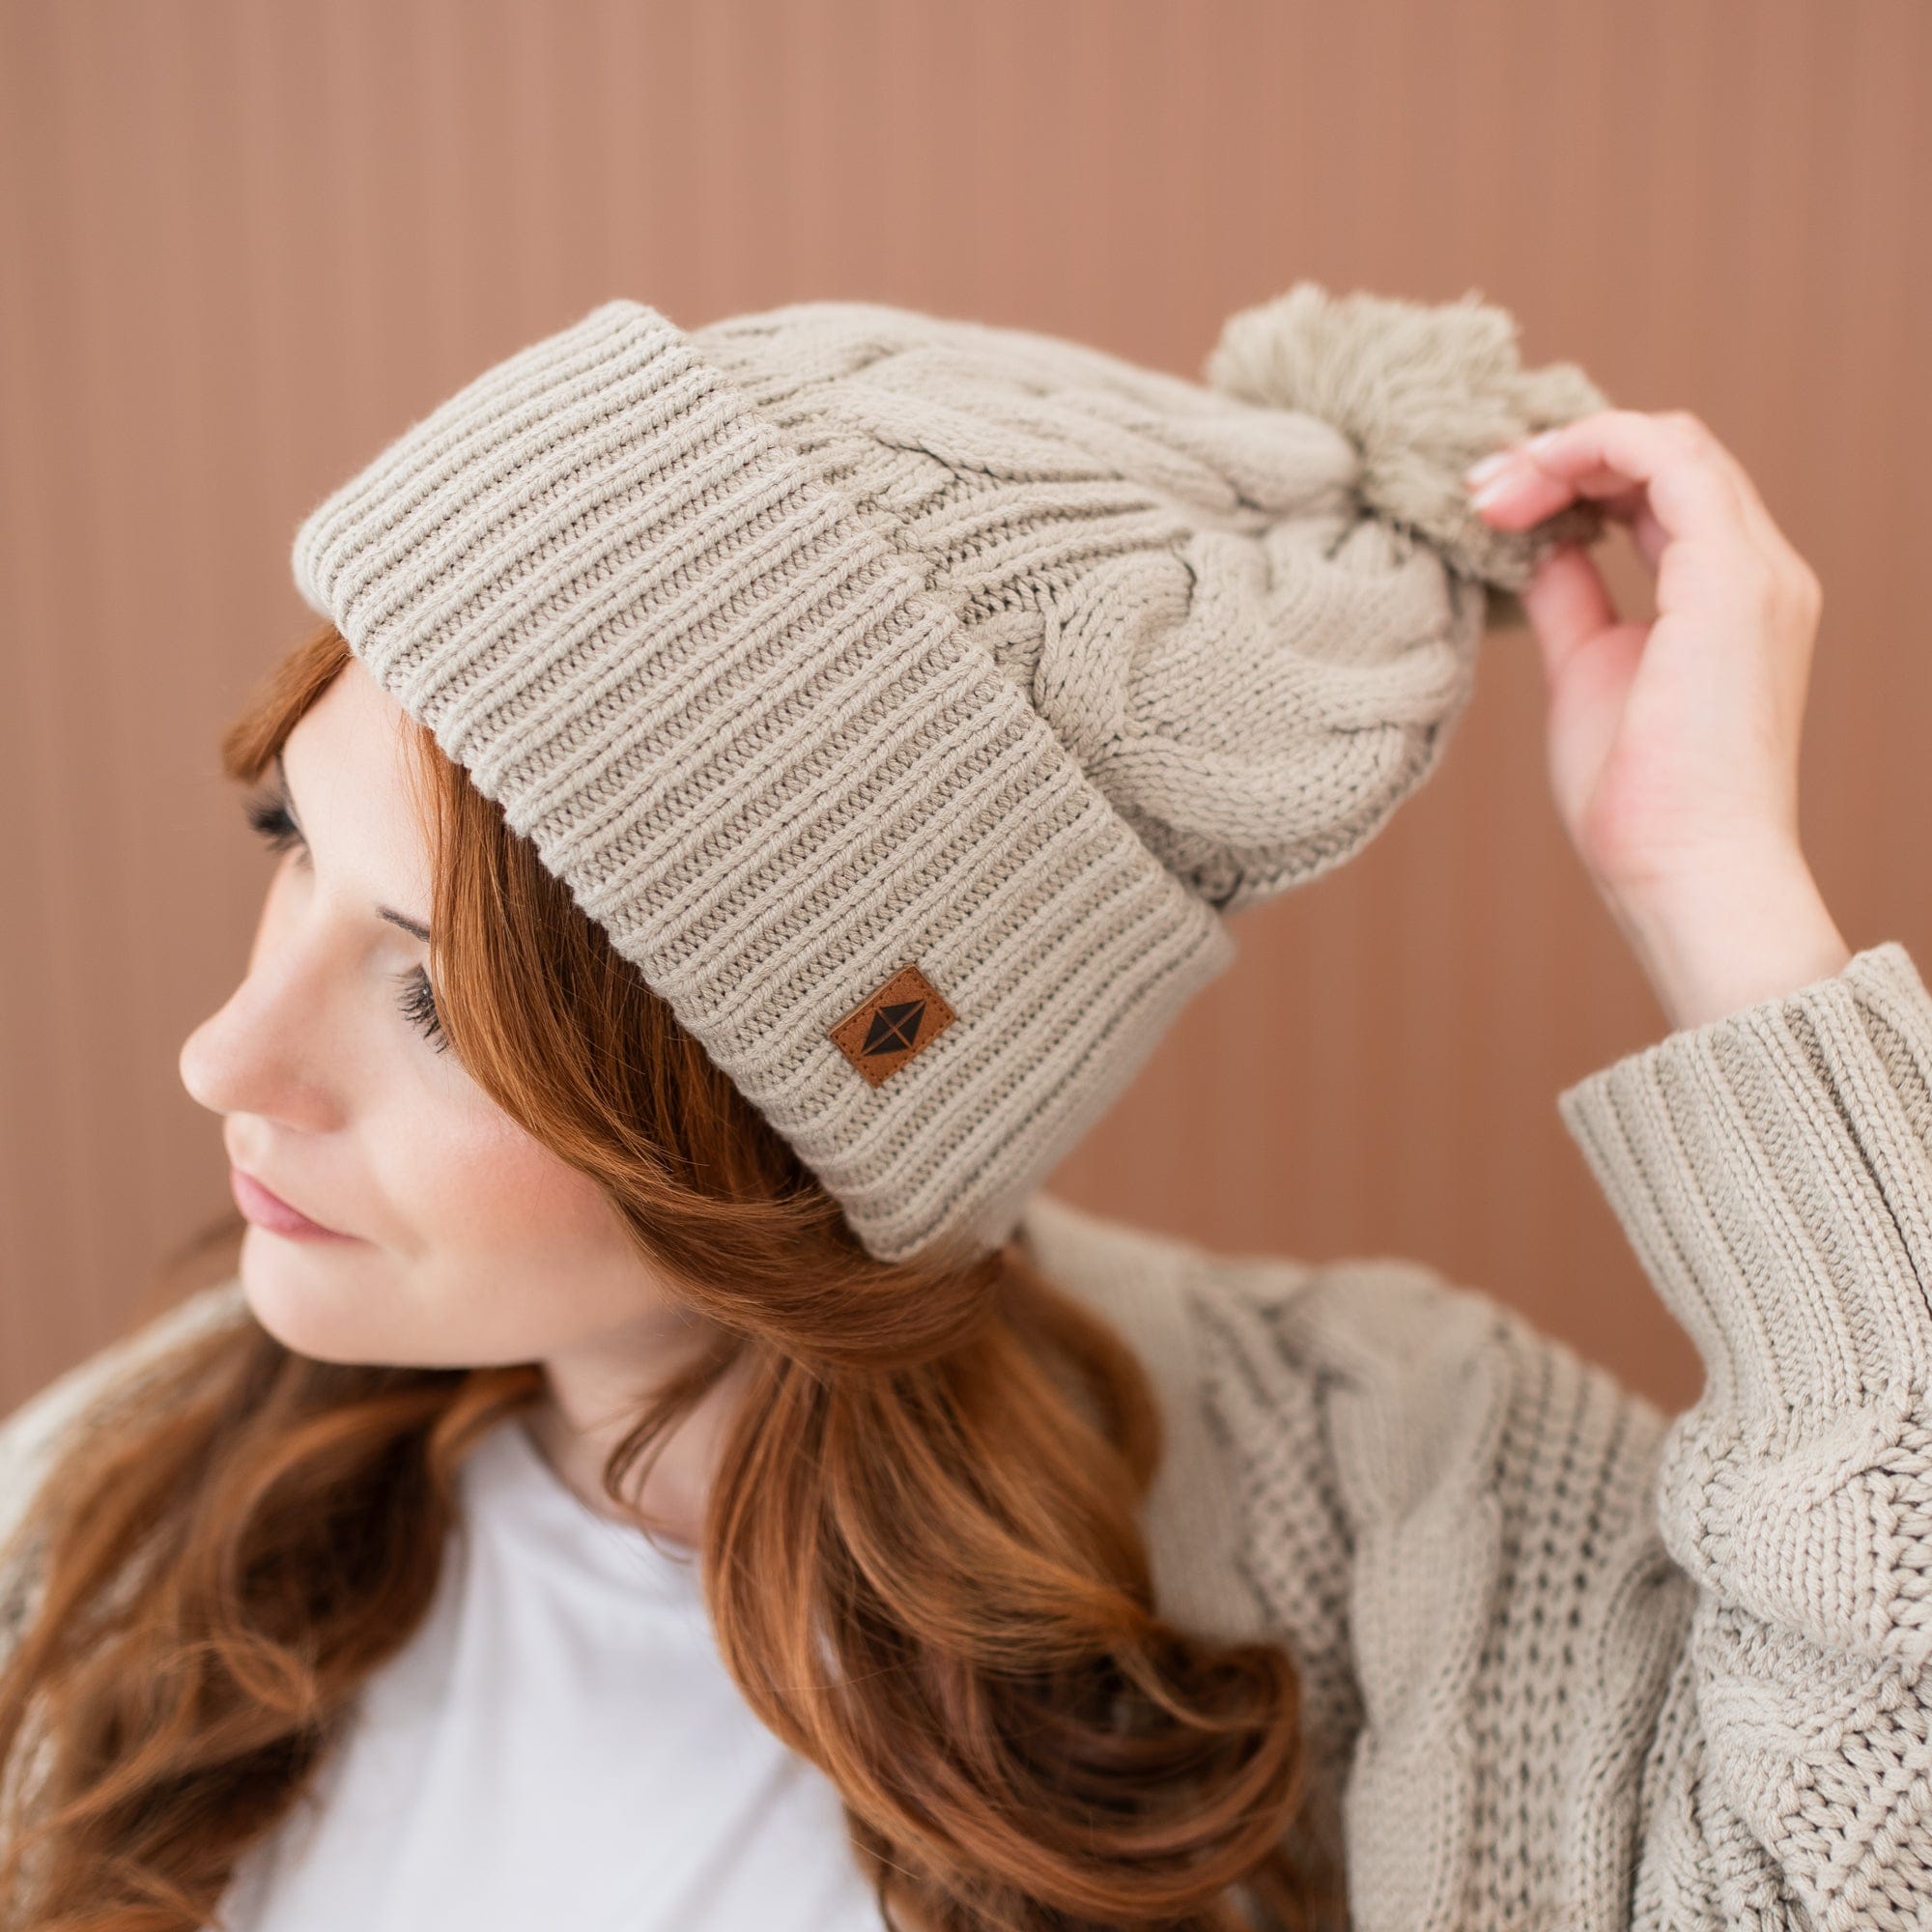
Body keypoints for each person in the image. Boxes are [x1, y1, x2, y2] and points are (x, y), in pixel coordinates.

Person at [0, 284, 1921, 1932]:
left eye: (435, 991)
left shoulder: (1394, 1496)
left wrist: (1716, 890)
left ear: (801, 1107)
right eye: (288, 843)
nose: (224, 1055)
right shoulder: (117, 1509)